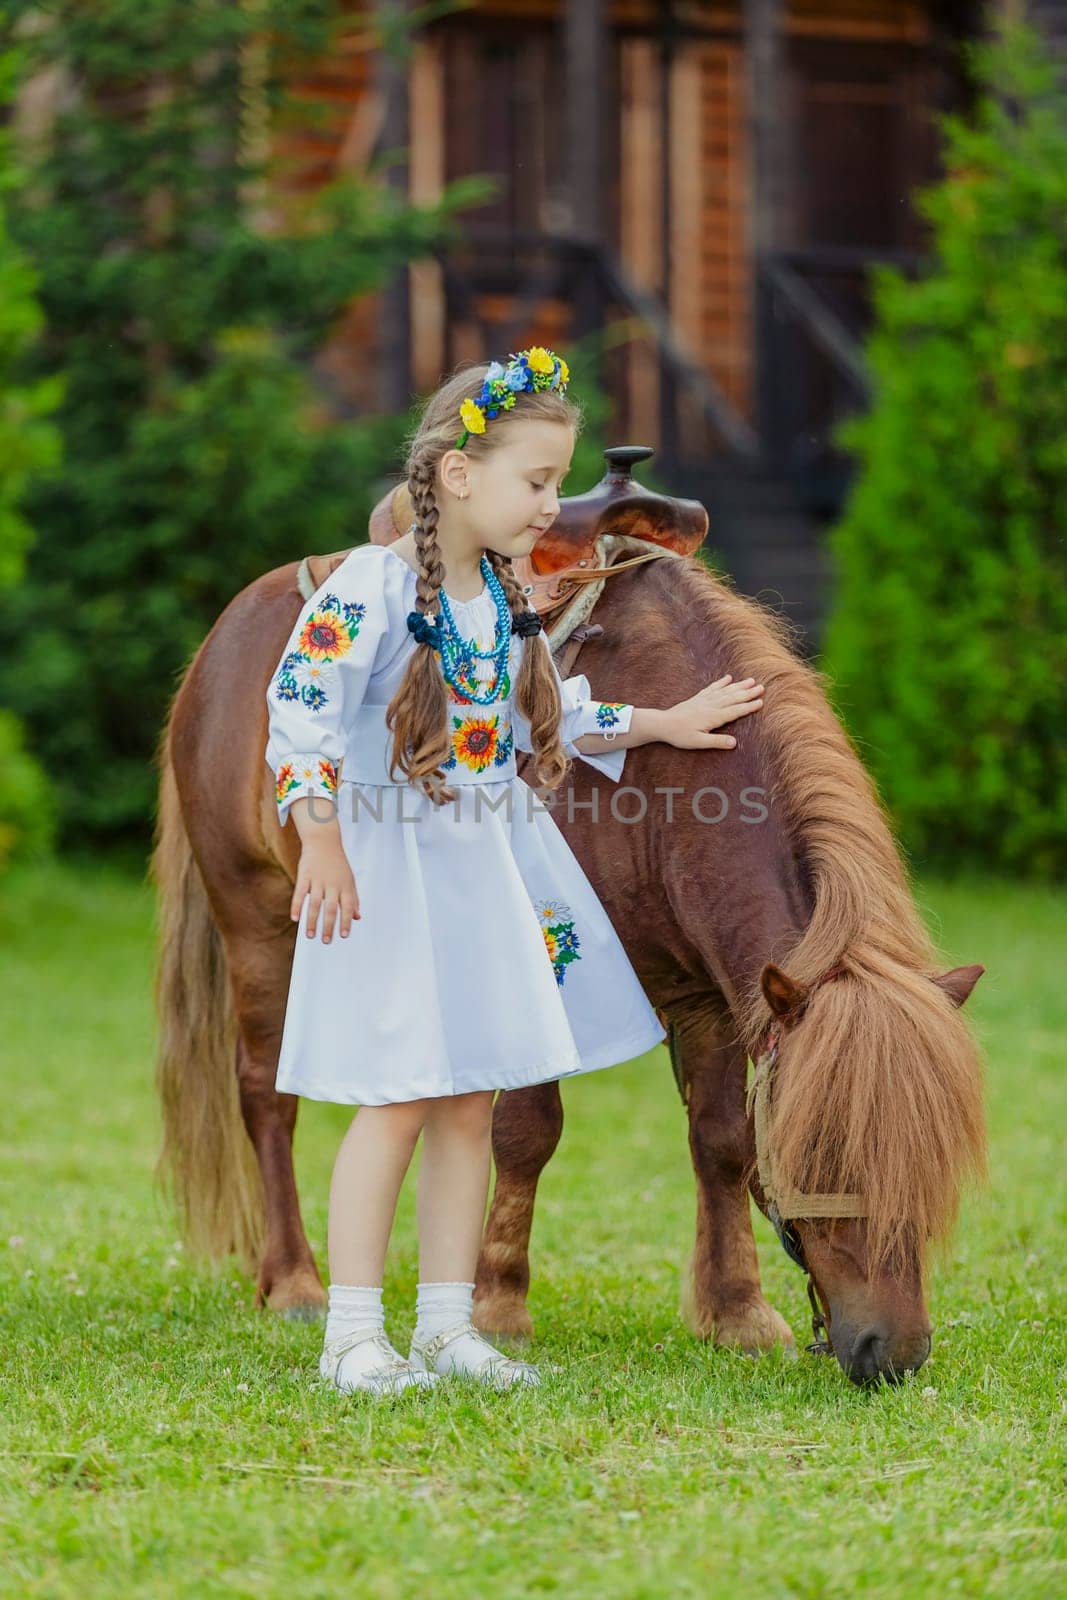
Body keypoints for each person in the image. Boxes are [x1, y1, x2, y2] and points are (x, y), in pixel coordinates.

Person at [264, 347, 765, 1397]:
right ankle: (354, 1334)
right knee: (398, 1096)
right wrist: (319, 835)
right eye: (536, 481)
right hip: (389, 869)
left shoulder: (497, 596)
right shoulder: (370, 585)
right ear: (457, 474)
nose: (552, 503)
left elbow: (539, 712)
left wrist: (658, 720)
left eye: (554, 481)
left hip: (478, 872)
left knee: (465, 1099)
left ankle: (446, 1326)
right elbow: (298, 705)